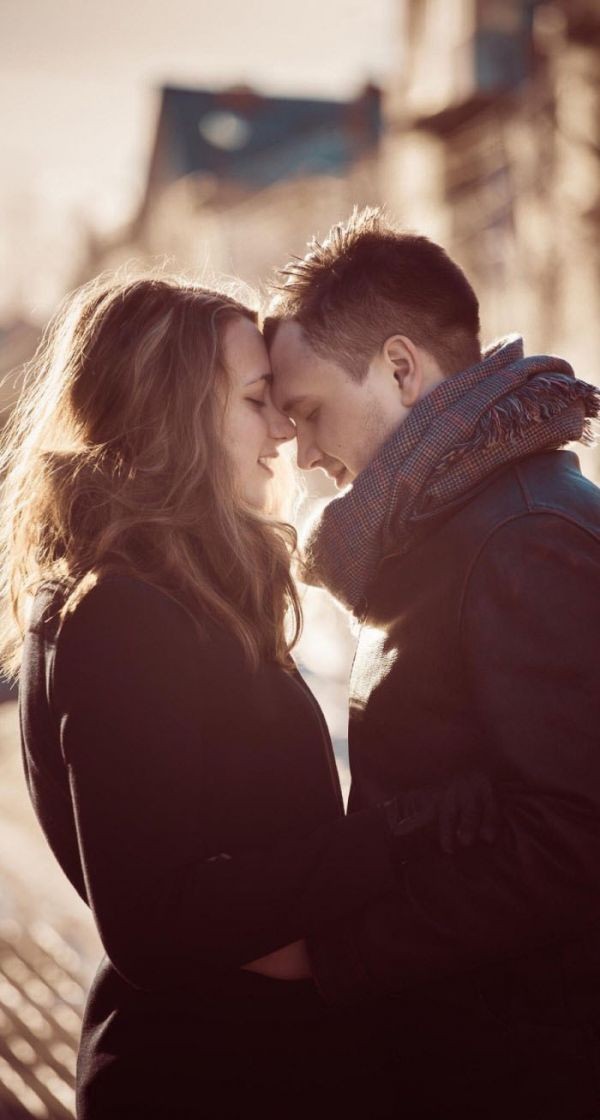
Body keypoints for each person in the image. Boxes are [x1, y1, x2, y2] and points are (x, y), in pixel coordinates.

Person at [0, 274, 498, 1119]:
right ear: (172, 413)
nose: (283, 431)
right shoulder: (121, 613)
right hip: (209, 1078)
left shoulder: (169, 593)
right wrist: (393, 837)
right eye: (256, 400)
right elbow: (155, 921)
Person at [265, 207, 600, 1119]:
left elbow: (575, 839)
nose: (302, 453)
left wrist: (338, 957)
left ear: (401, 369)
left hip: (526, 1065)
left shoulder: (521, 534)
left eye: (309, 412)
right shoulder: (453, 526)